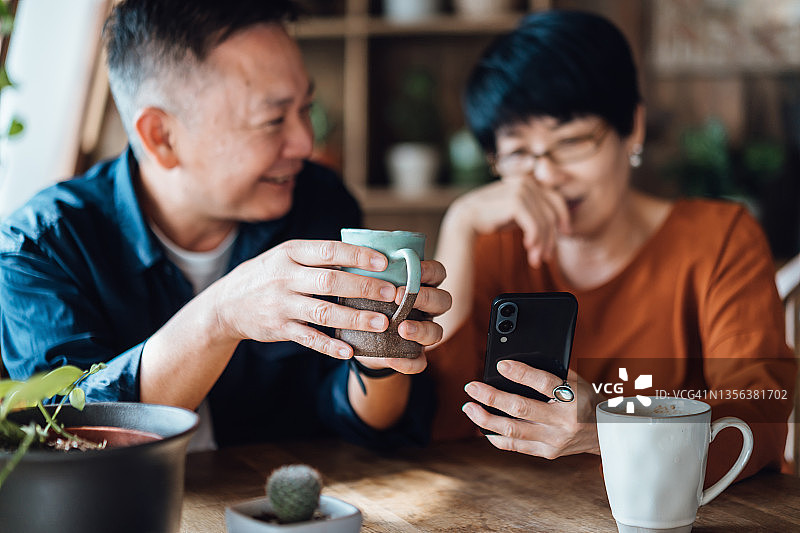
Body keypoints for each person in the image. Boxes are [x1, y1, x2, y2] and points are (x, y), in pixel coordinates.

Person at [0, 0, 451, 451]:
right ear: (162, 136)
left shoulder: (318, 202)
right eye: (273, 119)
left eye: (305, 108)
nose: (304, 142)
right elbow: (69, 433)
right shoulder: (39, 246)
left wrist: (383, 351)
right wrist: (221, 314)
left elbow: (351, 417)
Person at [428, 10, 796, 483]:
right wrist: (457, 226)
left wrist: (608, 428)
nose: (547, 175)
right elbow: (433, 416)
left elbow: (758, 420)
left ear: (633, 129)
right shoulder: (492, 251)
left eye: (573, 141)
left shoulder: (719, 240)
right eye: (519, 152)